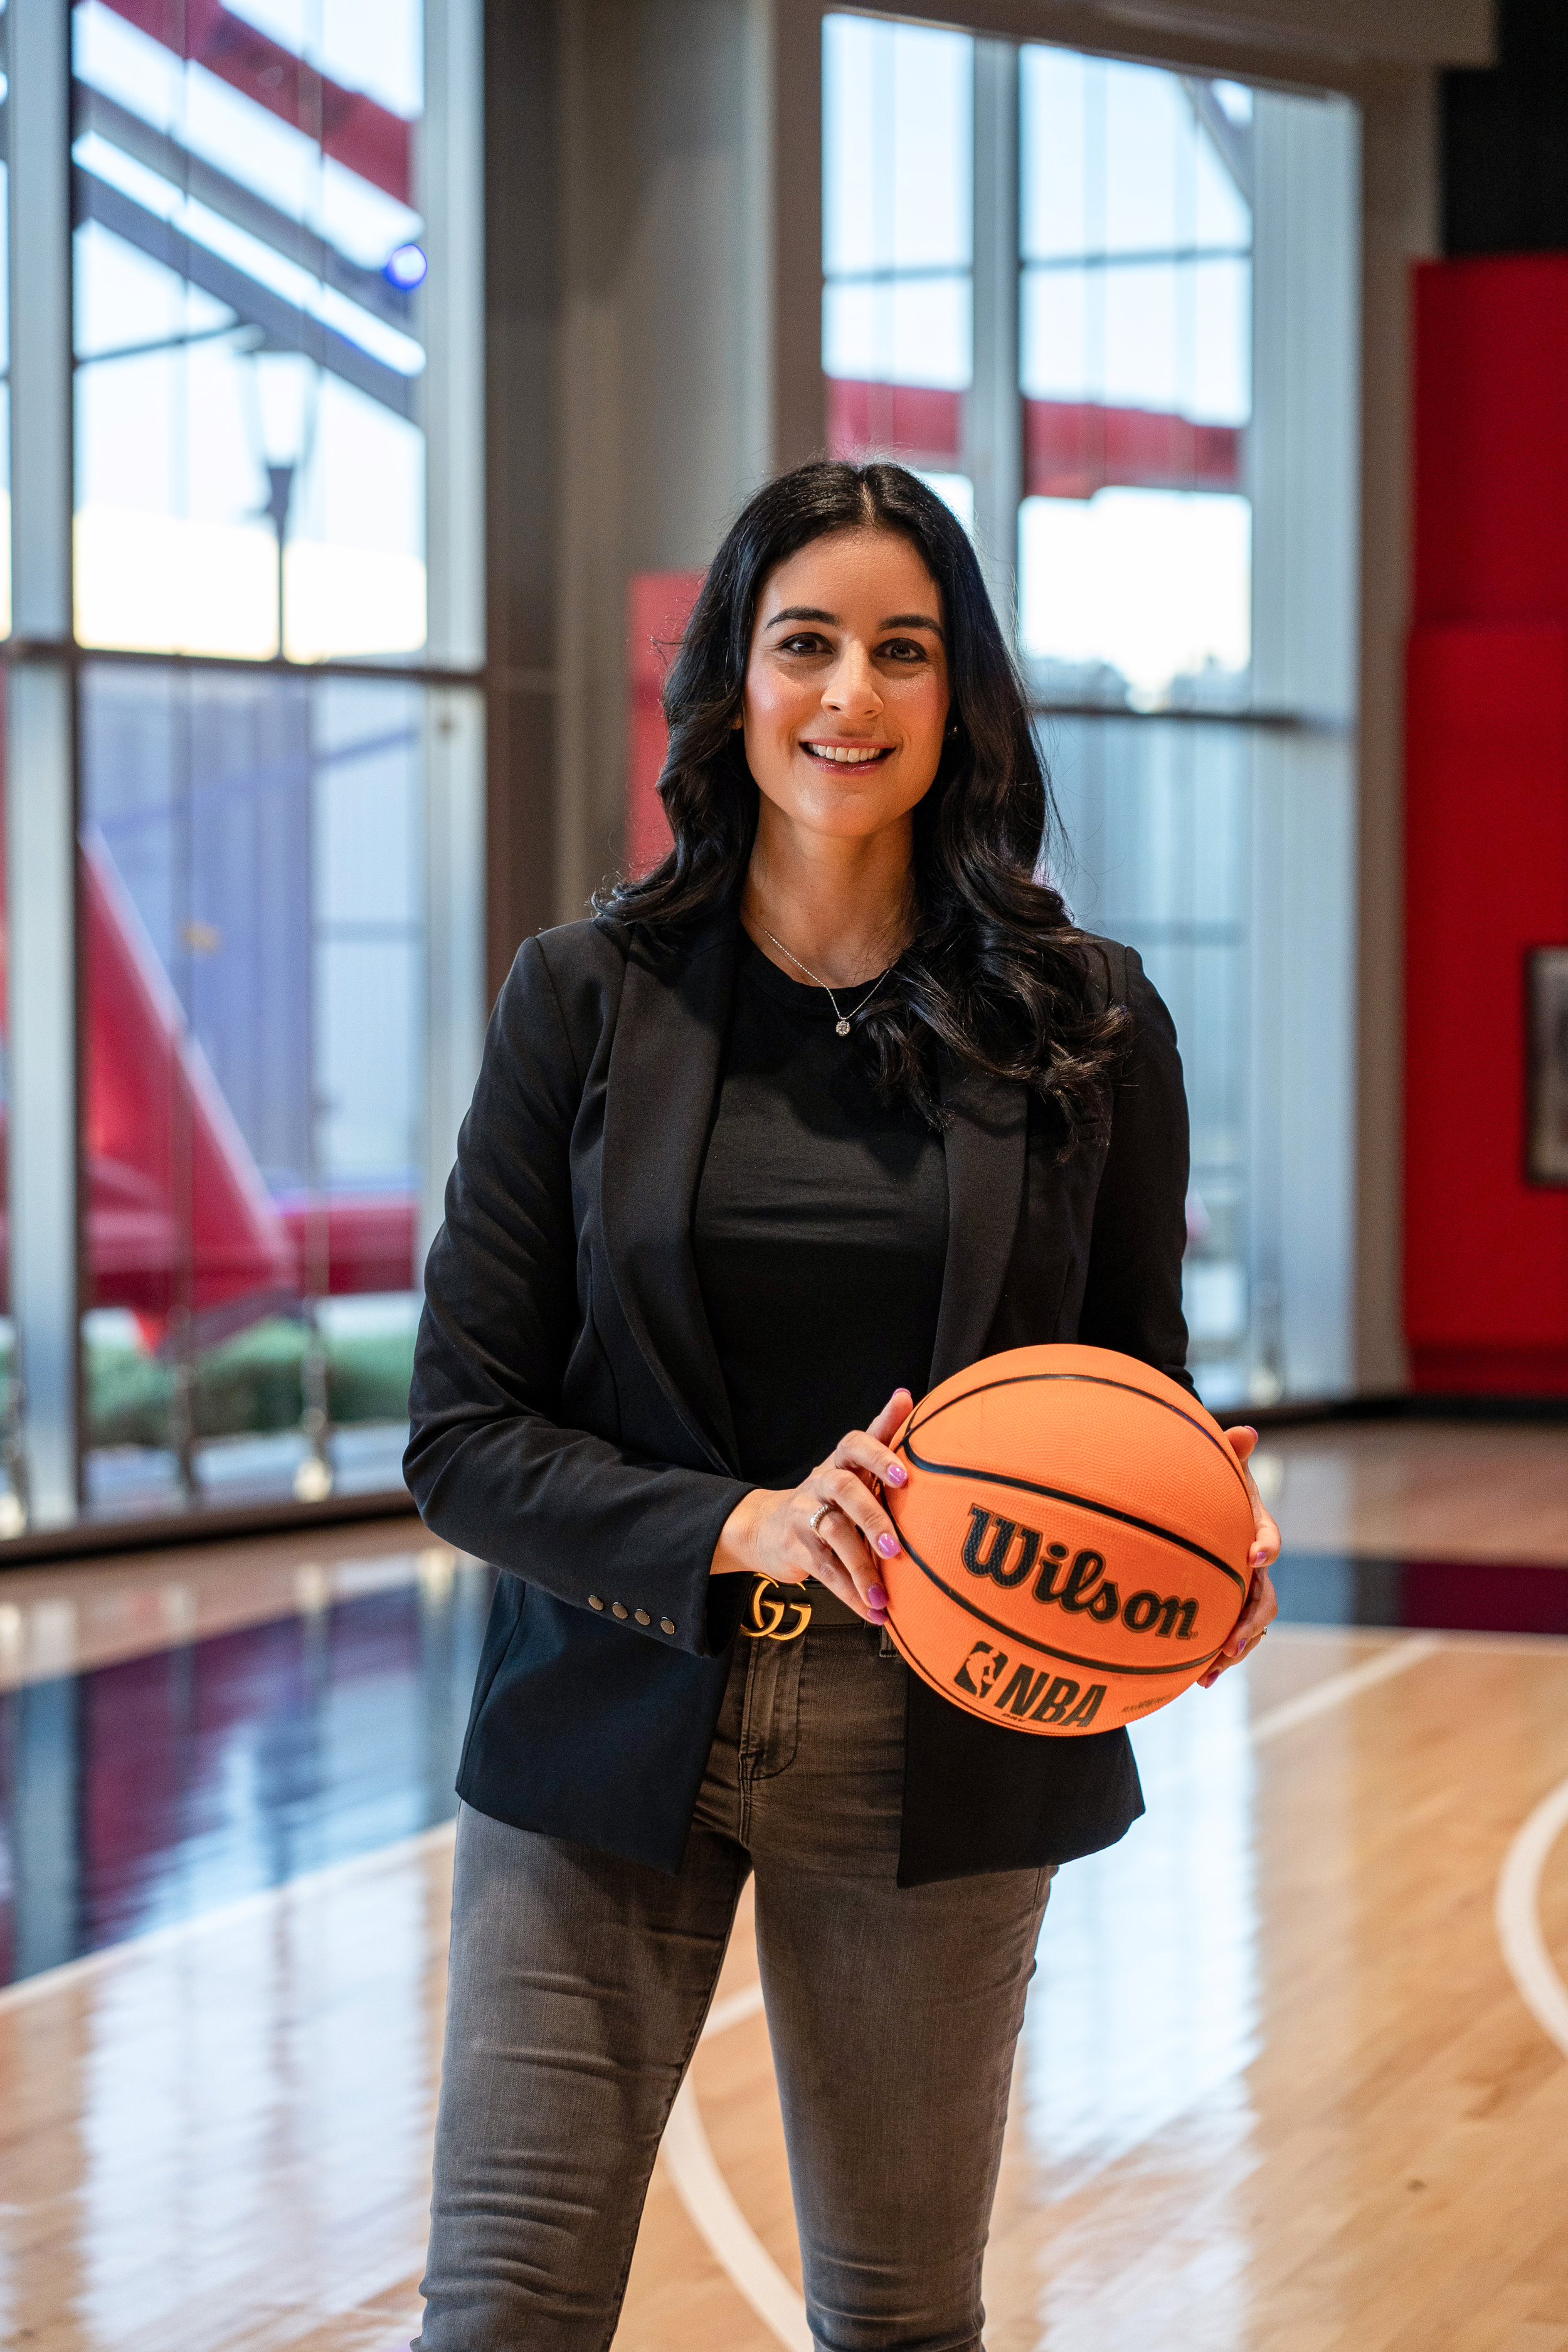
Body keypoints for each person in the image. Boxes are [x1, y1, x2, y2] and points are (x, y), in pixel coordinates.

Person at [405, 458, 1280, 2352]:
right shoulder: (582, 996)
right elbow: (460, 1428)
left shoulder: (1087, 1022)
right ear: (731, 680)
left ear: (959, 697)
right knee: (500, 2315)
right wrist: (741, 1521)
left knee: (896, 2318)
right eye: (804, 644)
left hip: (939, 1731)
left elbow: (1138, 1392)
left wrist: (1211, 1530)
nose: (849, 697)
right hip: (609, 1712)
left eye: (904, 650)